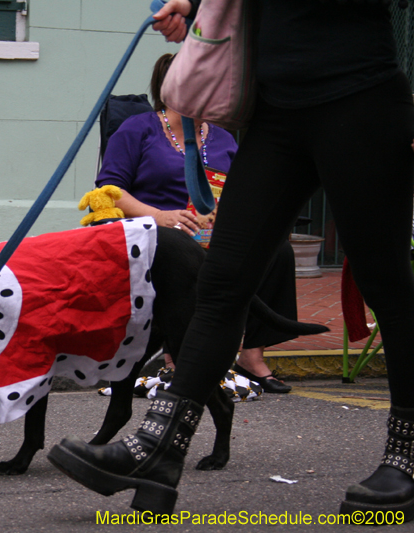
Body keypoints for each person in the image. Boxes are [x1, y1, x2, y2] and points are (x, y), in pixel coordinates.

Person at [49, 0, 414, 521]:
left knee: (387, 286)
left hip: (360, 99)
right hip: (276, 113)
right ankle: (159, 451)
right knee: (222, 280)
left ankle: (407, 456)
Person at [97, 53, 295, 393]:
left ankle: (250, 354)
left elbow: (239, 192)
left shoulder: (223, 138)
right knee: (181, 248)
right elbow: (109, 191)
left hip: (213, 230)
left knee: (278, 250)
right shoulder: (139, 128)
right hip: (158, 231)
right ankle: (178, 353)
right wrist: (159, 215)